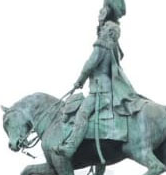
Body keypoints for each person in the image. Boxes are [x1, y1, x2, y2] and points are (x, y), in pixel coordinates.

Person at [58, 15, 140, 158]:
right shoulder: (113, 48)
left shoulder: (102, 45)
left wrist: (80, 81)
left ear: (109, 32)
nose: (100, 30)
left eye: (103, 28)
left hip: (99, 92)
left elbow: (89, 65)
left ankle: (71, 147)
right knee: (95, 123)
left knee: (82, 115)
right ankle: (98, 167)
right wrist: (104, 18)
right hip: (109, 92)